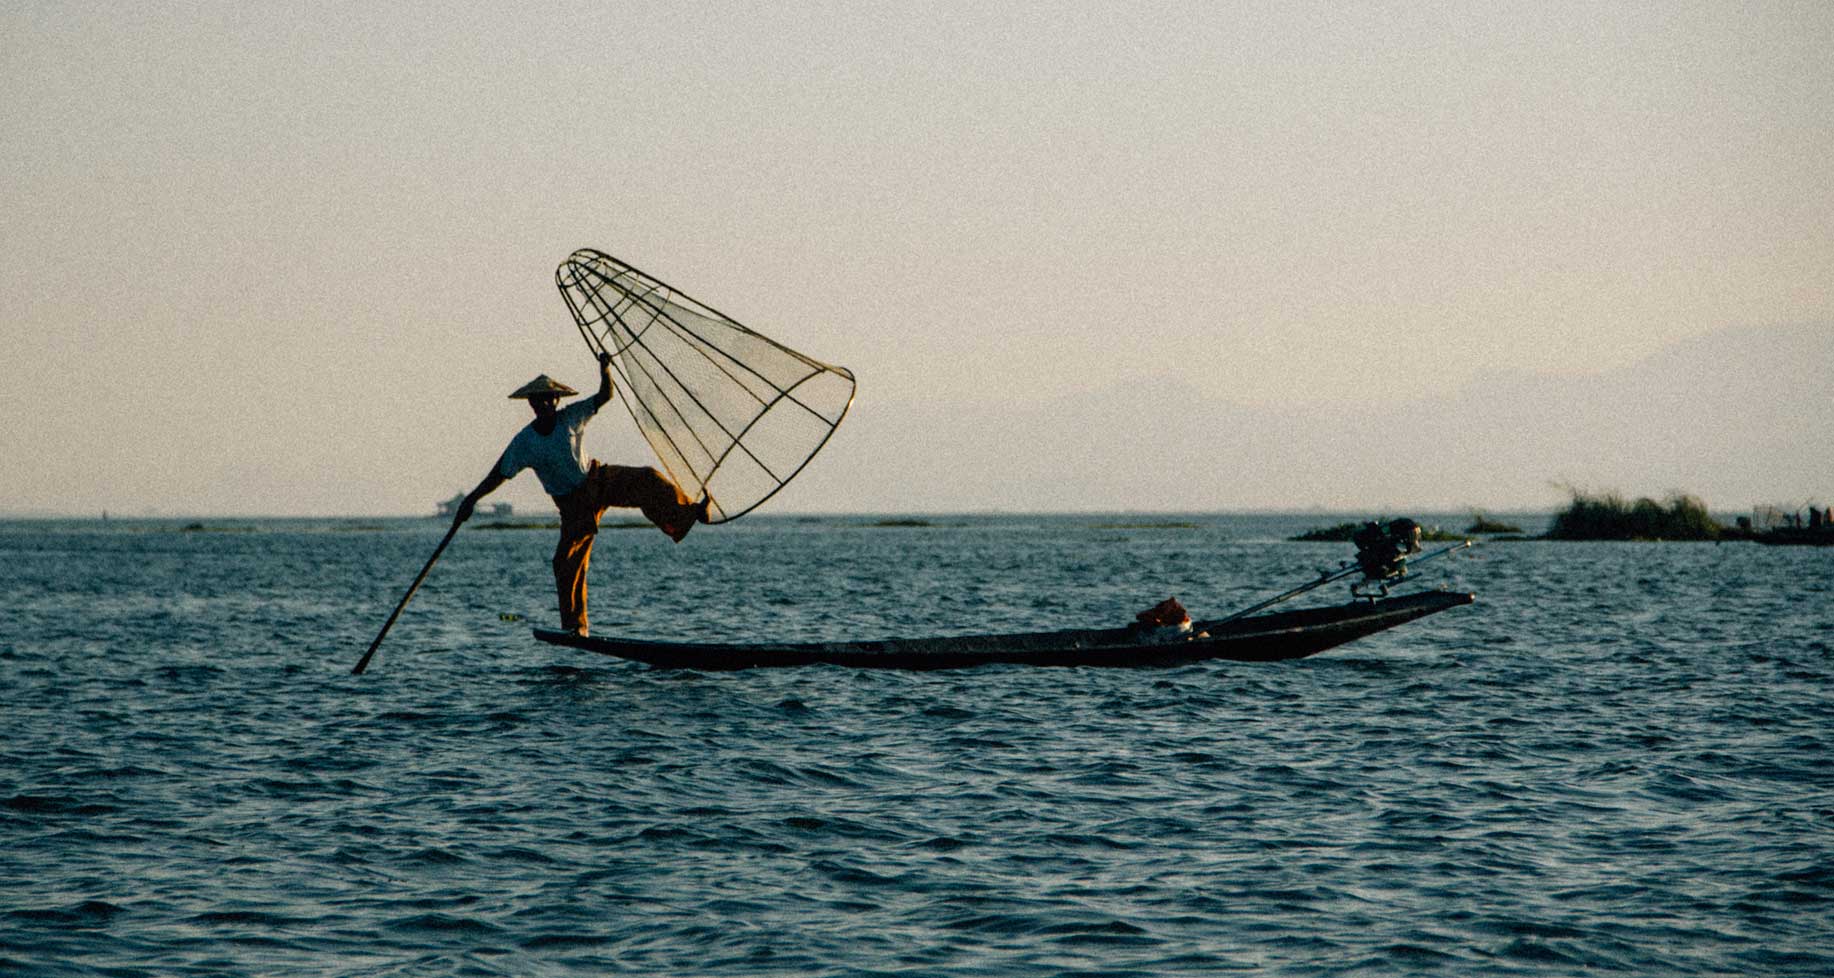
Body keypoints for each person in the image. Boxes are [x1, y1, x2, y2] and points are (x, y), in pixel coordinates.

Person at [454, 351, 707, 636]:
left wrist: (605, 369)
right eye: (539, 400)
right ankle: (576, 627)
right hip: (573, 505)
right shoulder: (525, 442)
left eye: (549, 399)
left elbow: (604, 396)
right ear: (532, 404)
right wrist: (470, 500)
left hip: (598, 480)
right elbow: (498, 474)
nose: (545, 404)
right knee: (566, 563)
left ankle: (687, 514)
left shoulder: (571, 417)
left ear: (556, 401)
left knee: (649, 480)